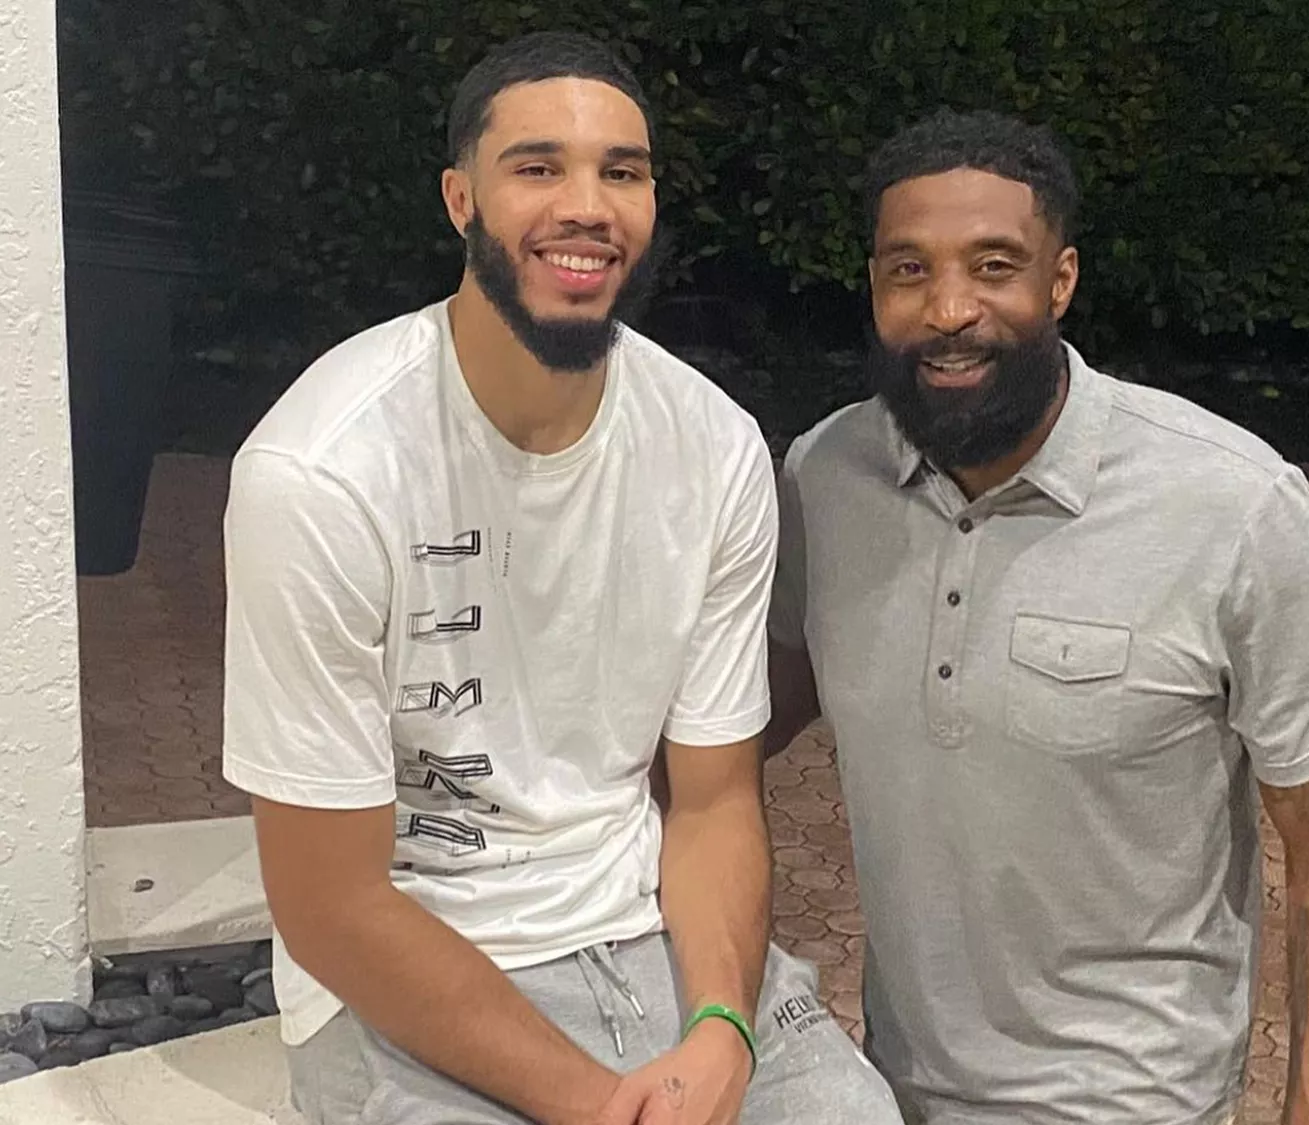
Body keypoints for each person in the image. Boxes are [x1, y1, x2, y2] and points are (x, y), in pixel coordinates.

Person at [221, 31, 900, 1125]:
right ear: (460, 198)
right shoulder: (324, 472)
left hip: (652, 936)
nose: (588, 204)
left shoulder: (714, 449)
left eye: (620, 172)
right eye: (539, 167)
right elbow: (330, 905)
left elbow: (715, 800)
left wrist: (722, 1028)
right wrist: (598, 1104)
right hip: (415, 968)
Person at [766, 108, 1309, 1125]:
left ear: (1059, 279)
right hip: (893, 1087)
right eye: (908, 270)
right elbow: (761, 700)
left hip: (1133, 1100)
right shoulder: (828, 475)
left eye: (993, 265)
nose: (949, 309)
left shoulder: (1230, 506)